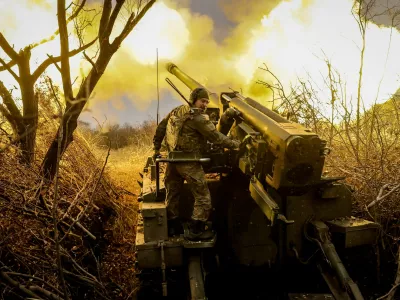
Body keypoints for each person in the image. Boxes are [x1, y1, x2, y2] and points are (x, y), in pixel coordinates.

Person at [153, 87, 240, 241]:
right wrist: (234, 144)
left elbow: (161, 127)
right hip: (189, 162)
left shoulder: (177, 111)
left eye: (206, 102)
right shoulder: (198, 119)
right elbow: (215, 137)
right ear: (194, 99)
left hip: (172, 160)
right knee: (203, 197)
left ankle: (173, 225)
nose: (205, 105)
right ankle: (196, 228)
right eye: (202, 101)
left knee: (172, 193)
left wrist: (156, 147)